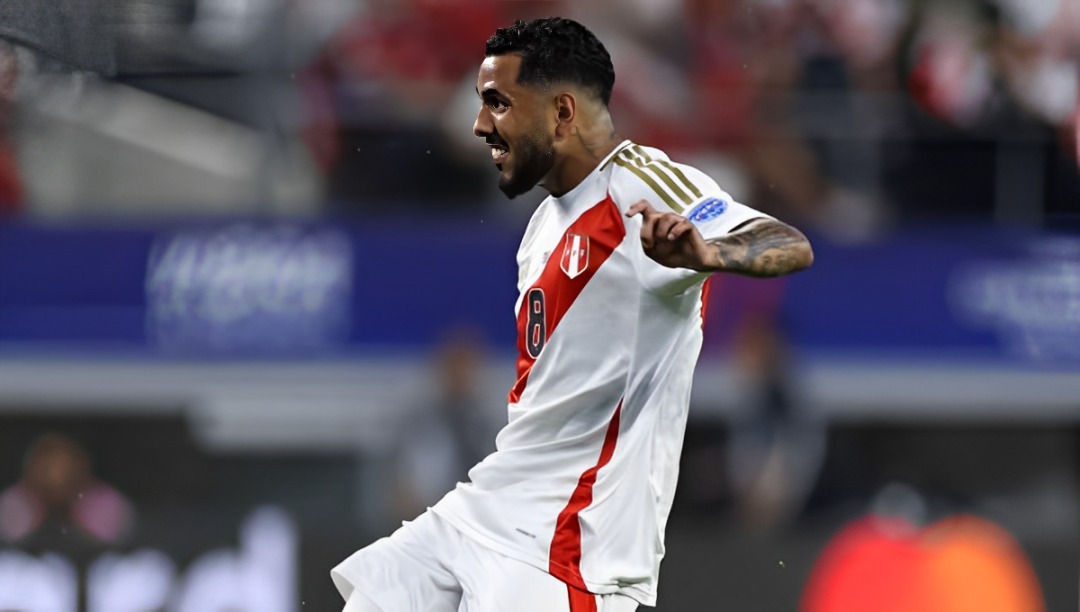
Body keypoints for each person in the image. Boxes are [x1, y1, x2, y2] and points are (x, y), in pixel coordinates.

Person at [332, 17, 813, 612]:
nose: (482, 125)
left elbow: (783, 241)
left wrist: (710, 252)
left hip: (569, 548)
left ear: (561, 111)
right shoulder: (539, 228)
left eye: (498, 105)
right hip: (488, 507)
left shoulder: (641, 184)